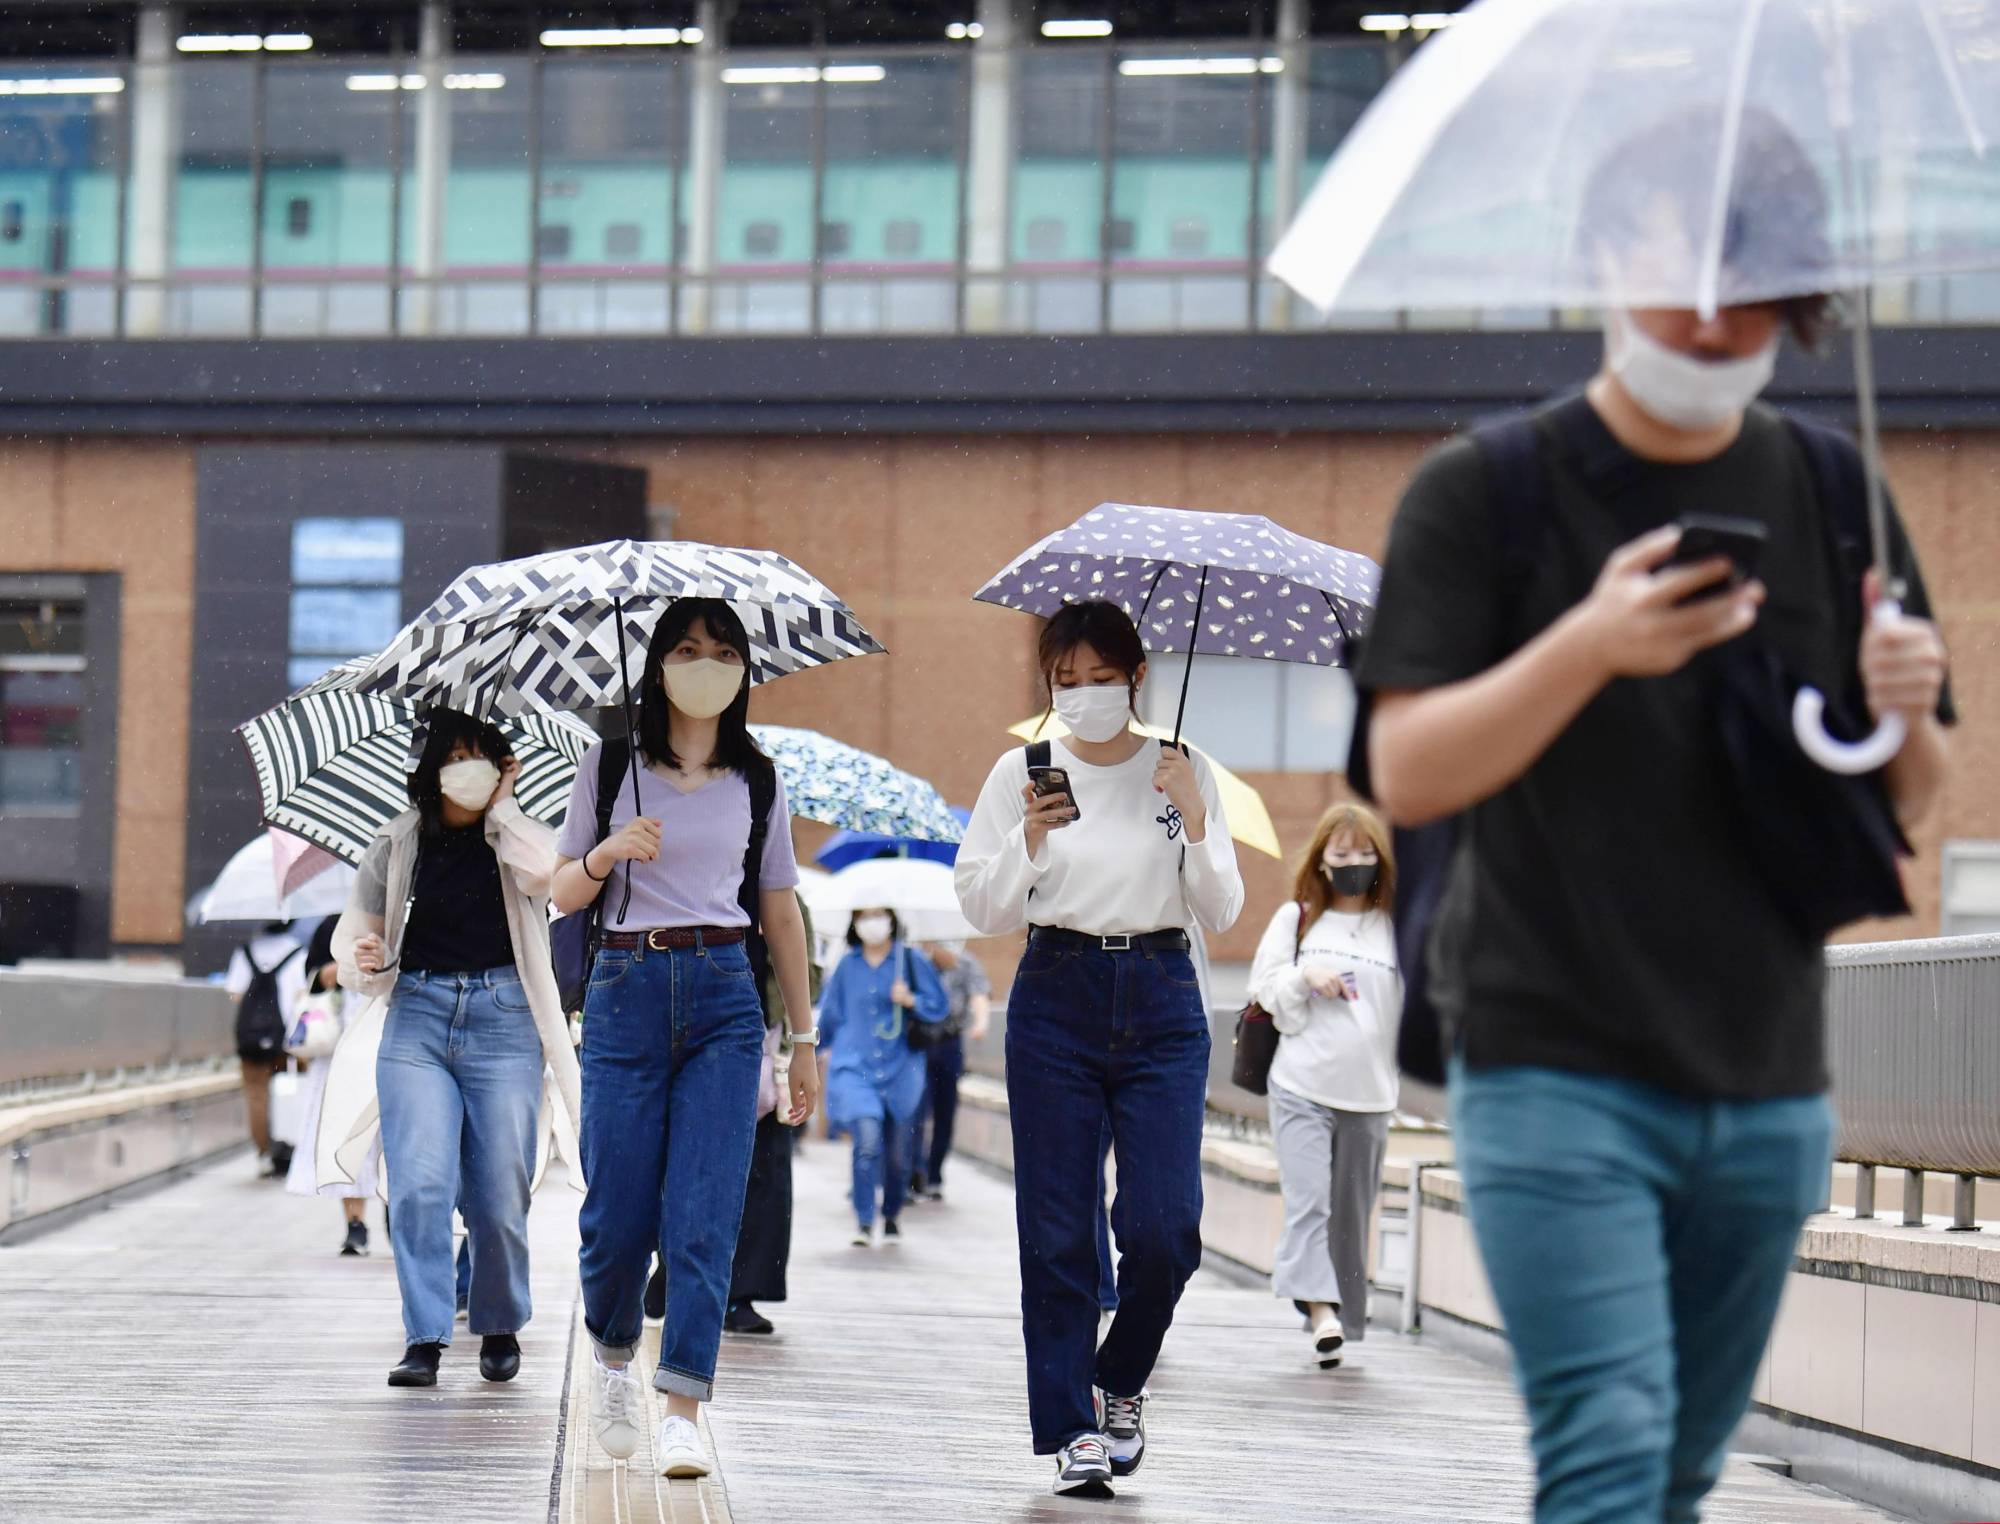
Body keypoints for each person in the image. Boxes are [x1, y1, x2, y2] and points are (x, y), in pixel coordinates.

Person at [1357, 112, 1953, 1524]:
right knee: (1612, 1455)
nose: (1707, 304)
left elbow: (1914, 803)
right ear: (1606, 255)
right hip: (1551, 1063)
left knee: (1678, 1474)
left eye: (1749, 268)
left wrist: (1909, 703)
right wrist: (1588, 646)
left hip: (1767, 1082)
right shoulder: (1486, 489)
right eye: (1677, 255)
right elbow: (1408, 771)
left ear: (1803, 289)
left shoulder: (1831, 486)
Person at [956, 599, 1244, 1499]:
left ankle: (1118, 1379)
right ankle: (1071, 1428)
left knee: (1165, 1230)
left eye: (1099, 678)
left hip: (1162, 997)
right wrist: (1029, 841)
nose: (1082, 695)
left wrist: (1193, 814)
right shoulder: (1023, 769)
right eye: (1065, 681)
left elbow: (1224, 910)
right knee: (1054, 1229)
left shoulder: (1182, 767)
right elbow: (984, 907)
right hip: (1055, 997)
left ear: (1136, 677)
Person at [551, 598, 819, 1480]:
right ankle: (617, 1358)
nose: (705, 664)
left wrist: (804, 1038)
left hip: (725, 995)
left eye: (722, 651)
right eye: (687, 648)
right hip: (626, 988)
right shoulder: (609, 764)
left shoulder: (760, 779)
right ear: (657, 664)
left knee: (705, 1214)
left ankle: (682, 1406)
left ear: (744, 671)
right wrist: (606, 853)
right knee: (616, 1217)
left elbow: (777, 907)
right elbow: (561, 894)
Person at [333, 708, 579, 1390]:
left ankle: (498, 1323)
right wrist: (365, 954)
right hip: (417, 1016)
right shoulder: (399, 841)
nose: (466, 767)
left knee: (500, 1187)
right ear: (432, 768)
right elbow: (361, 931)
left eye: (482, 755)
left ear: (502, 766)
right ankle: (426, 1337)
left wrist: (503, 808)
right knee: (418, 1185)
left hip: (505, 1020)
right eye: (455, 755)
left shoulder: (519, 834)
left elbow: (550, 880)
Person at [1247, 802, 1401, 1370]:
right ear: (1321, 859)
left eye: (1365, 853)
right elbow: (1265, 987)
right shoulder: (1300, 919)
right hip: (1301, 1083)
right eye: (1341, 854)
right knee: (1309, 1203)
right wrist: (1304, 976)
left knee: (1350, 1214)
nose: (1354, 863)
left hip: (1370, 1093)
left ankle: (1338, 1310)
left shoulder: (1396, 928)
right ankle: (1320, 1314)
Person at [644, 890, 825, 1336]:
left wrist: (777, 944)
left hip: (766, 1046)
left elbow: (811, 979)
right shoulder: (696, 886)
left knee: (765, 1173)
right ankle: (673, 1262)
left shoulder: (787, 902)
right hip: (697, 1042)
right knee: (688, 1164)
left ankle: (741, 1293)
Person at [818, 907, 948, 1245]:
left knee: (897, 1153)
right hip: (855, 1066)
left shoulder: (911, 961)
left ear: (891, 918)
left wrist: (910, 999)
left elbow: (939, 1005)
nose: (871, 922)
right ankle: (864, 1219)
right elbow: (831, 1014)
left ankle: (891, 1211)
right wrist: (809, 1050)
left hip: (902, 1068)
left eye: (878, 914)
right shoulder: (848, 966)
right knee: (867, 1139)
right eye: (865, 916)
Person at [285, 916, 378, 1256]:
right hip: (339, 1052)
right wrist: (344, 967)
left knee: (390, 1139)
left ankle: (397, 1213)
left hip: (389, 1043)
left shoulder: (402, 915)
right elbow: (316, 979)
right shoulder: (330, 926)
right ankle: (354, 1224)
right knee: (346, 1138)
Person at [908, 940, 990, 1202]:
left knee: (946, 1110)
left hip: (949, 1043)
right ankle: (914, 1171)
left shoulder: (966, 963)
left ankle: (934, 1174)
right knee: (917, 1110)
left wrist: (980, 1024)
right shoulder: (915, 962)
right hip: (919, 1043)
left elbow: (979, 994)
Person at [225, 918, 306, 1177]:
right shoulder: (297, 952)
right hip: (288, 1039)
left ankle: (264, 1152)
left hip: (252, 1038)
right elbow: (302, 994)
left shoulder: (246, 951)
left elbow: (235, 993)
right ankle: (289, 1148)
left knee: (257, 1096)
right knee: (291, 1091)